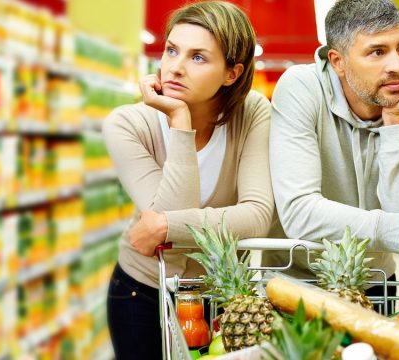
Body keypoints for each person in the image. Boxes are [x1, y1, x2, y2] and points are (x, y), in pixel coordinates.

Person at [102, 2, 273, 358]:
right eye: (171, 50)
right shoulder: (127, 124)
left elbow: (257, 215)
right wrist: (180, 119)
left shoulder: (253, 112)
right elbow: (176, 232)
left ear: (232, 73)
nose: (175, 68)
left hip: (222, 297)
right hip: (144, 292)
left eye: (198, 57)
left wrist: (165, 226)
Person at [266, 0, 399, 313]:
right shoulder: (301, 88)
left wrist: (394, 121)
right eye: (377, 52)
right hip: (296, 280)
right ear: (338, 61)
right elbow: (299, 212)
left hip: (375, 283)